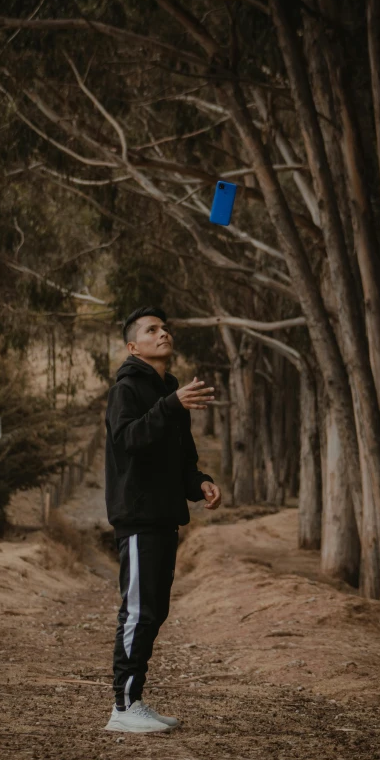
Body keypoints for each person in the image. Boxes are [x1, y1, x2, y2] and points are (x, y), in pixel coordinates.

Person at [104, 306, 221, 733]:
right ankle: (122, 706)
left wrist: (200, 483)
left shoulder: (171, 391)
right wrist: (170, 404)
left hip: (163, 517)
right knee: (137, 610)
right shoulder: (127, 390)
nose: (163, 333)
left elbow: (180, 457)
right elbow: (127, 439)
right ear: (134, 347)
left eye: (165, 328)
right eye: (152, 330)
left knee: (154, 611)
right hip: (136, 517)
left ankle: (134, 699)